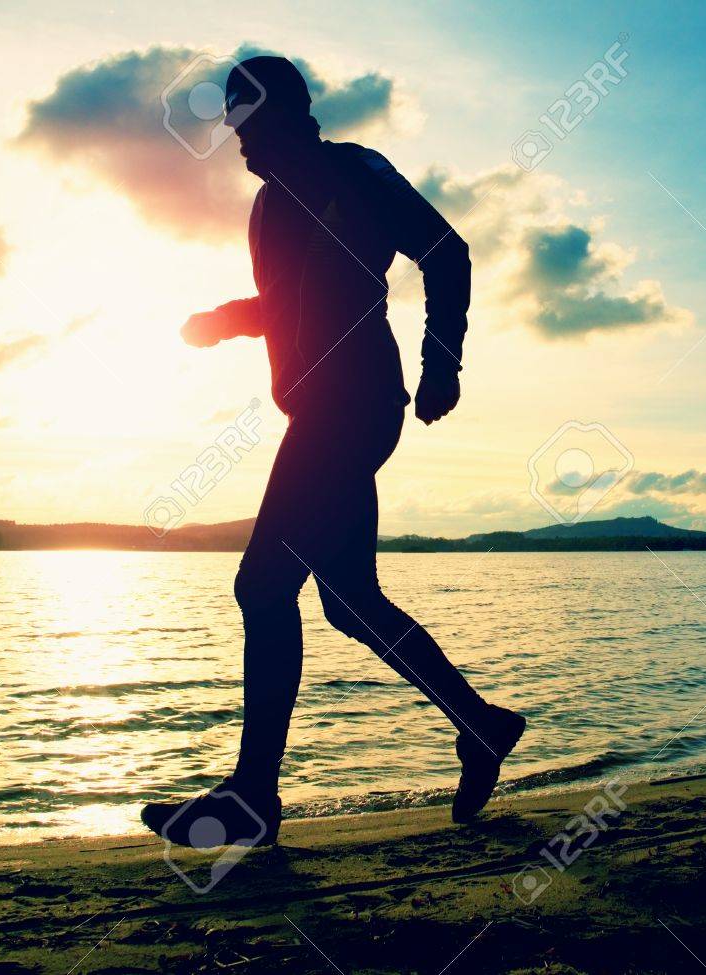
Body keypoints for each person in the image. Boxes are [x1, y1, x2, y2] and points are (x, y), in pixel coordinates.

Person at [142, 55, 524, 848]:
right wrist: (225, 318)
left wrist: (442, 361)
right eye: (231, 126)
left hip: (350, 405)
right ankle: (480, 725)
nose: (237, 140)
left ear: (286, 113)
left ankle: (252, 797)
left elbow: (445, 251)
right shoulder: (265, 209)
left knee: (262, 585)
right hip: (318, 410)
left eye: (245, 121)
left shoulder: (355, 172)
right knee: (350, 602)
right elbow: (289, 306)